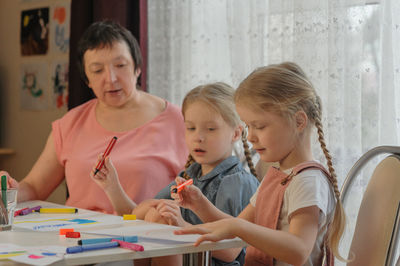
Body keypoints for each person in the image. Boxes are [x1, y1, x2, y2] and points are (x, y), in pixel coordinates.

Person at [0, 20, 188, 214]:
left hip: (150, 236)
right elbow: (35, 186)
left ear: (137, 67)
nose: (111, 78)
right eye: (98, 70)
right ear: (87, 79)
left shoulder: (180, 121)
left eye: (121, 65)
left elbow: (198, 193)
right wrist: (9, 192)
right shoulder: (71, 123)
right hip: (78, 235)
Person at [174, 62, 347, 265]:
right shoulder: (278, 176)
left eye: (260, 126)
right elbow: (235, 226)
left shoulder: (308, 181)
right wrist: (200, 204)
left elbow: (299, 250)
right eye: (249, 126)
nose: (251, 137)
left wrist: (239, 229)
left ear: (299, 121)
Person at [91, 82, 260, 266]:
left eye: (211, 129)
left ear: (236, 133)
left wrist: (181, 226)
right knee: (152, 211)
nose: (198, 137)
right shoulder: (189, 176)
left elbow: (230, 251)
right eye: (191, 128)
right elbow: (136, 216)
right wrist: (112, 186)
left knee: (159, 216)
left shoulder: (236, 182)